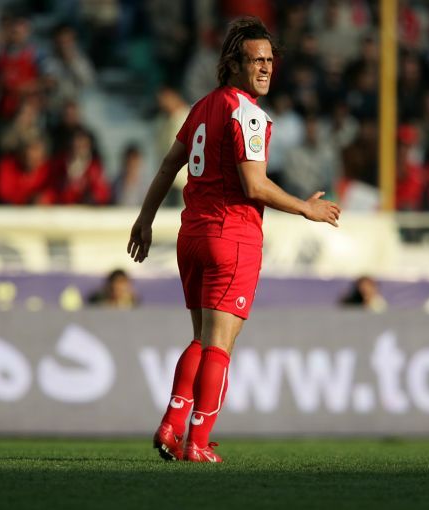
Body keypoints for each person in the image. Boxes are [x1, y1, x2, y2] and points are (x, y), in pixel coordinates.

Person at [127, 17, 340, 463]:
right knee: (219, 347)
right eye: (255, 60)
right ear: (233, 64)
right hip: (232, 235)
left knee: (201, 339)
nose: (265, 68)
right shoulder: (248, 114)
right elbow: (254, 186)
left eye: (269, 60)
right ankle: (198, 442)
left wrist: (145, 220)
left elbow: (168, 166)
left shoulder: (202, 107)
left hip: (193, 235)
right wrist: (306, 208)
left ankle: (172, 425)